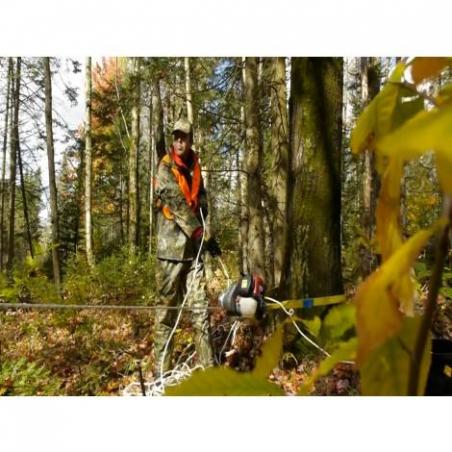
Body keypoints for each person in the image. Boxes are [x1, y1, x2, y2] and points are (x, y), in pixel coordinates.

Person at [153, 118, 221, 378]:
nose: (180, 142)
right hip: (169, 252)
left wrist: (207, 236)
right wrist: (200, 233)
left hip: (193, 252)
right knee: (166, 314)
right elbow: (178, 205)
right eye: (176, 137)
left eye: (184, 137)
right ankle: (162, 375)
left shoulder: (196, 167)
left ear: (191, 140)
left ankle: (208, 372)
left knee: (200, 310)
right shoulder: (164, 168)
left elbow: (201, 201)